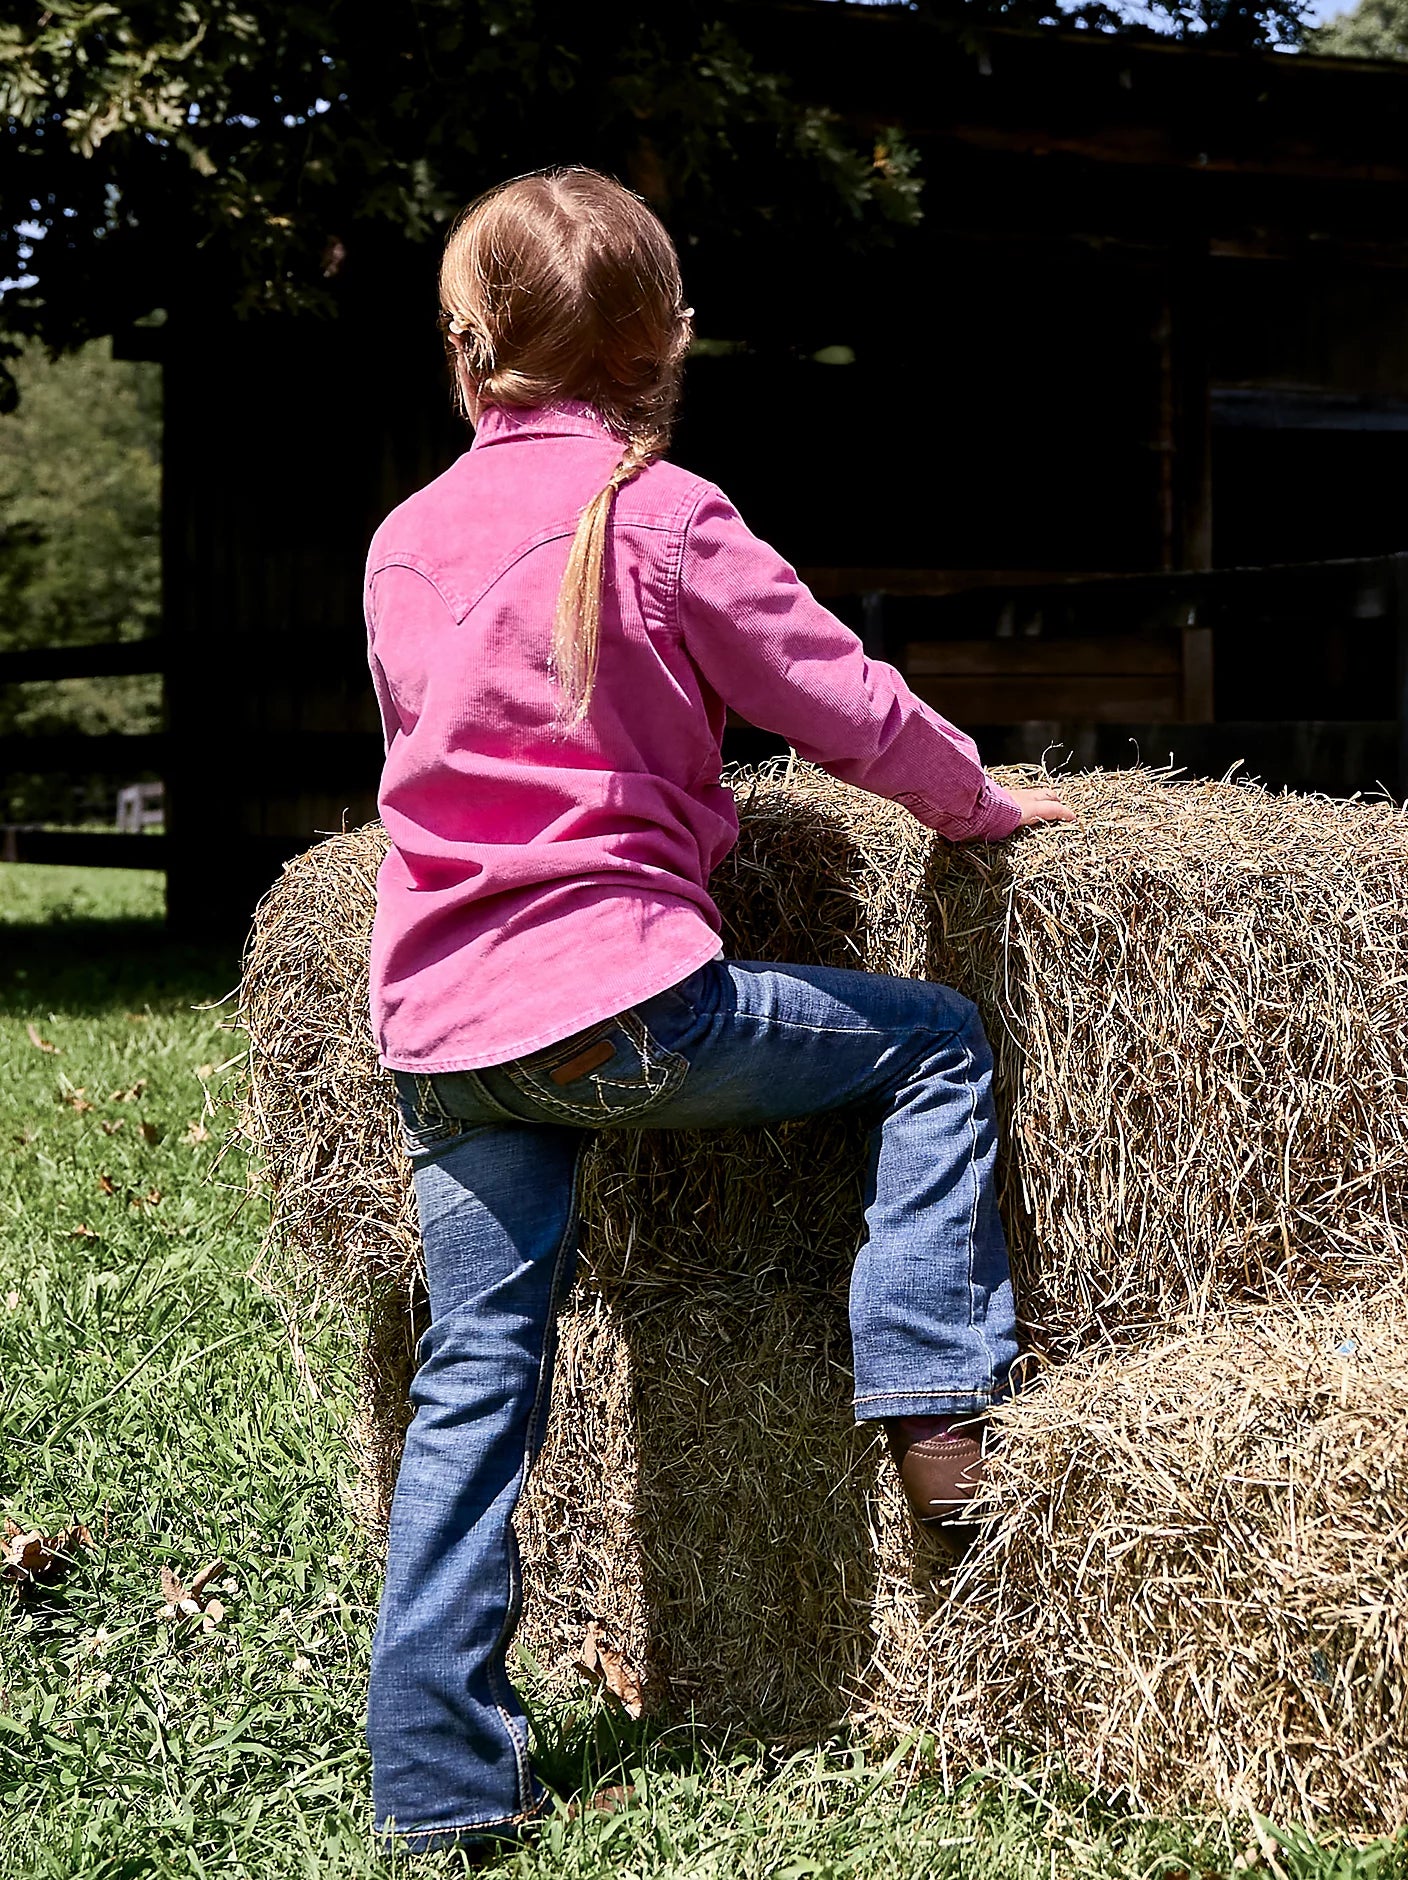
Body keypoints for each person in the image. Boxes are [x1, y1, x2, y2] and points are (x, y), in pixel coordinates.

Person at [361, 165, 1074, 1855]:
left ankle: (440, 1786)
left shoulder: (404, 537)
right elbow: (839, 699)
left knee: (476, 1382)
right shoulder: (665, 514)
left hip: (445, 1041)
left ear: (469, 353)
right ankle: (927, 1395)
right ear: (667, 346)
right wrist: (976, 807)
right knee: (935, 1044)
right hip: (625, 1010)